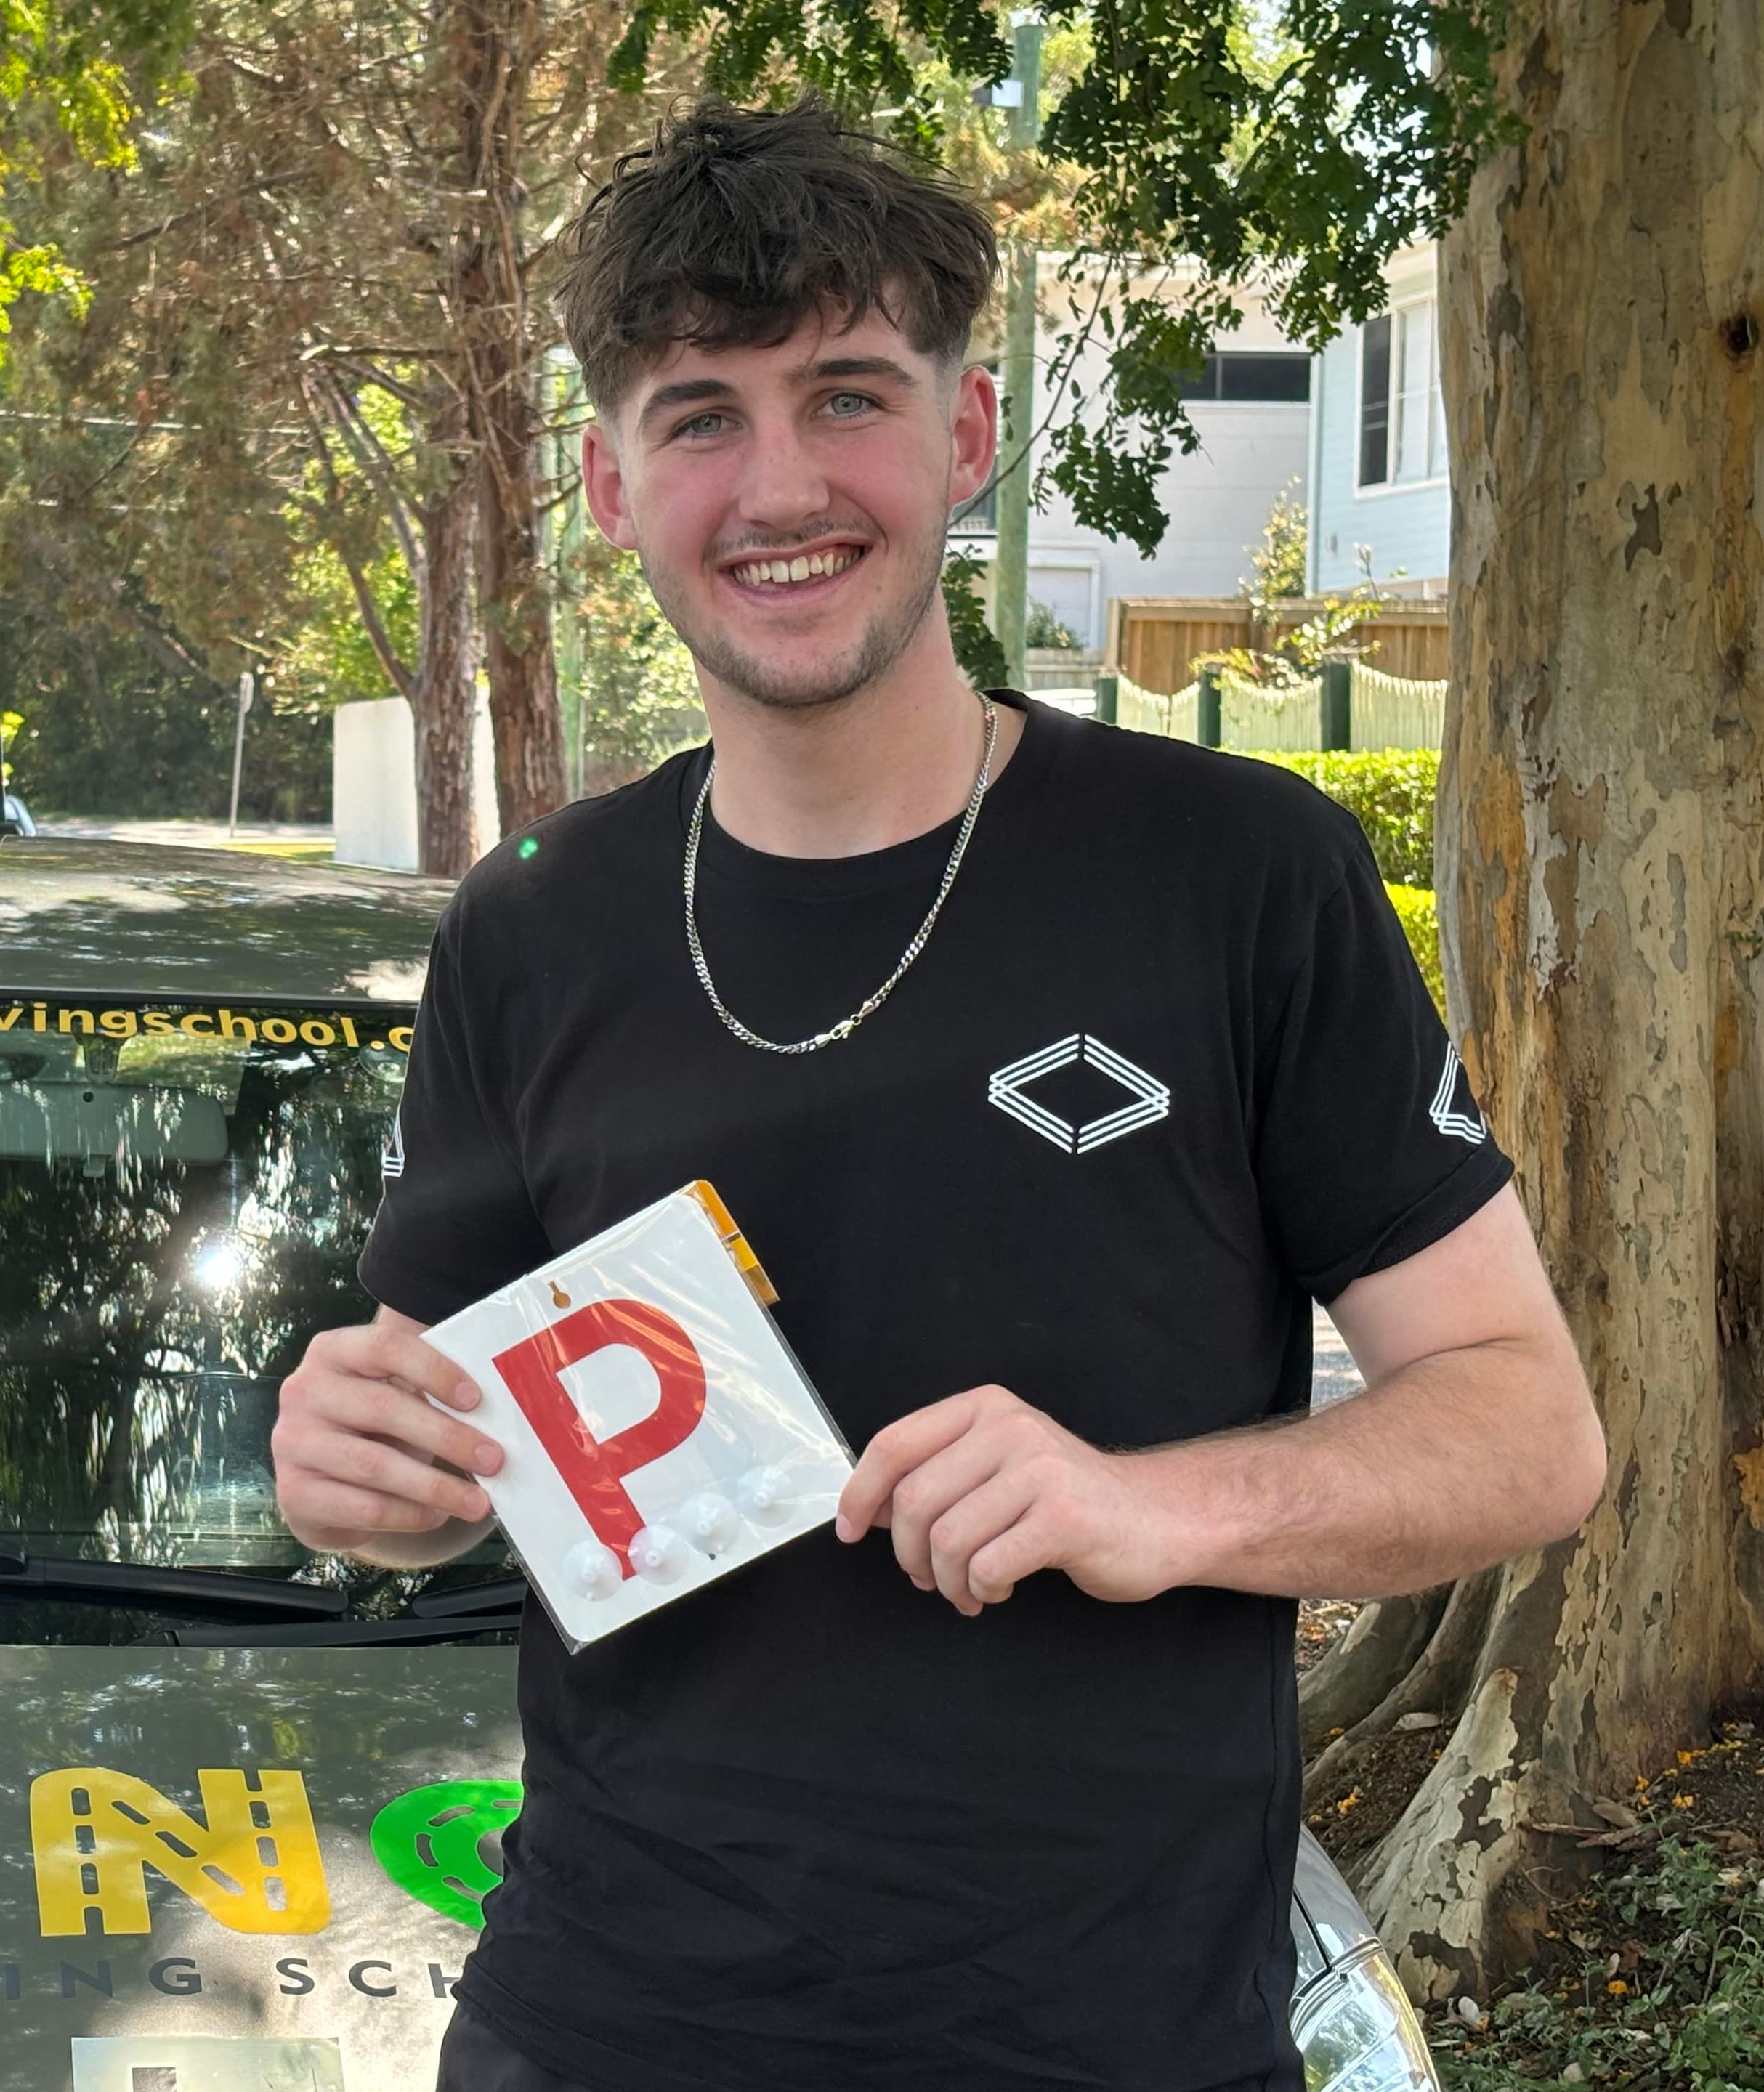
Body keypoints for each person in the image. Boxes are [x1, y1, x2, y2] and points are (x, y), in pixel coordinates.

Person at [271, 97, 1604, 2092]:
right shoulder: (529, 932)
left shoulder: (1238, 875)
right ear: (608, 482)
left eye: (848, 397)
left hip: (1113, 2036)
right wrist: (352, 1479)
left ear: (967, 437)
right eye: (699, 414)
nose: (778, 482)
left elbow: (1530, 1431)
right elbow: (438, 1452)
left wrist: (1152, 1503)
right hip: (606, 2026)